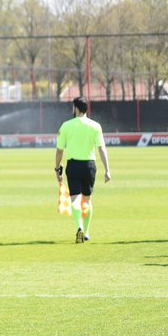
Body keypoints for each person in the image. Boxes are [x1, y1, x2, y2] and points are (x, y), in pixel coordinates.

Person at [54, 97, 112, 243]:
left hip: (73, 166)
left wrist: (57, 168)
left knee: (74, 199)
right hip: (89, 166)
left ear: (76, 108)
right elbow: (101, 149)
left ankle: (79, 226)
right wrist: (107, 169)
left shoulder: (66, 125)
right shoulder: (95, 126)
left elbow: (59, 151)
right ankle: (86, 232)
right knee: (87, 199)